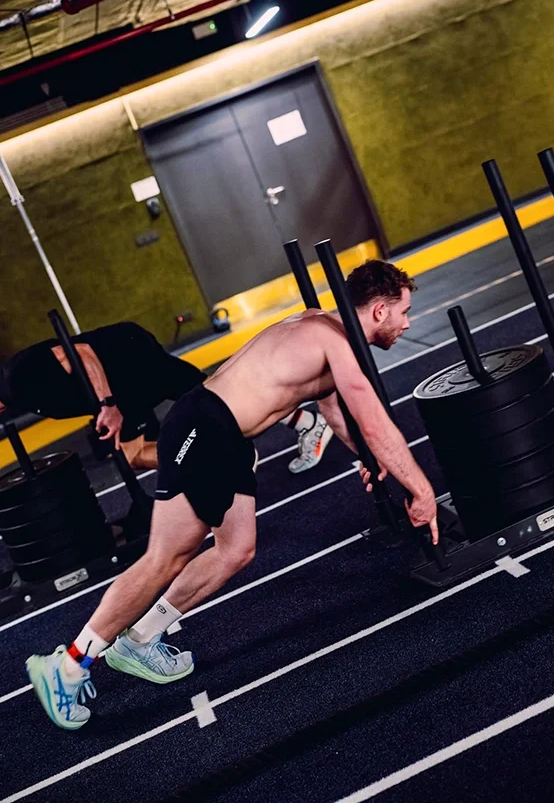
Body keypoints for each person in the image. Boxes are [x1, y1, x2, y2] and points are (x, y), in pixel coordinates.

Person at [26, 260, 438, 730]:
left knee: (236, 550)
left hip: (227, 435)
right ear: (380, 310)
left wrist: (368, 458)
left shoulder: (321, 324)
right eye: (404, 312)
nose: (408, 322)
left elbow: (338, 413)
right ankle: (67, 667)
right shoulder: (337, 342)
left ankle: (139, 639)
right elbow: (373, 419)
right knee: (164, 557)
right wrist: (420, 489)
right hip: (204, 427)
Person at [0, 322, 332, 473]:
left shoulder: (17, 381)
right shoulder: (16, 395)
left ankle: (228, 456)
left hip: (125, 365)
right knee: (217, 392)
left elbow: (83, 353)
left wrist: (108, 406)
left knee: (131, 453)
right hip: (129, 354)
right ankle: (308, 422)